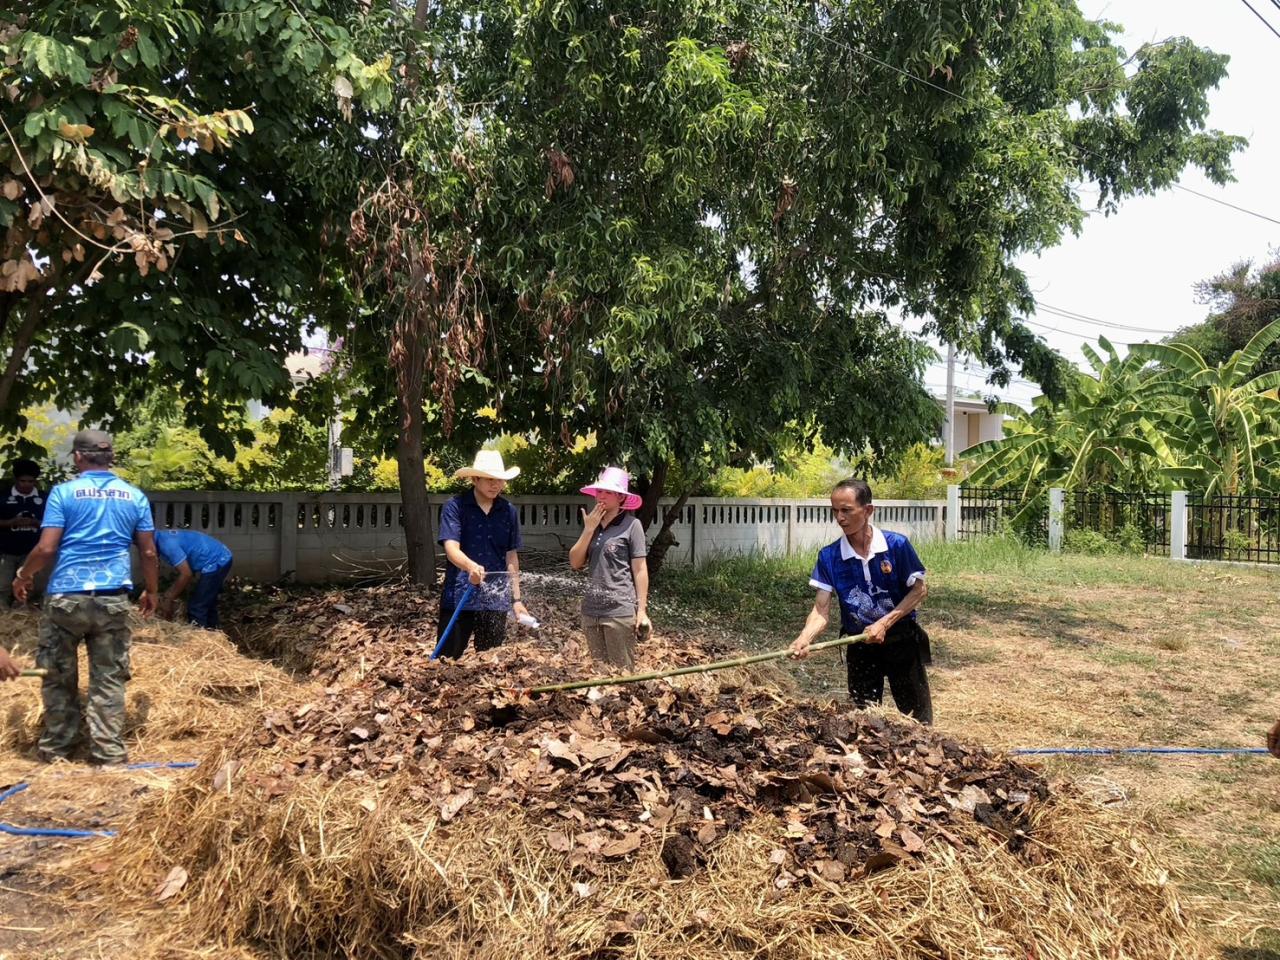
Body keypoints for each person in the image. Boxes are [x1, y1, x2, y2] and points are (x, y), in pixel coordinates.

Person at [7, 430, 158, 764]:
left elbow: (47, 548)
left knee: (57, 674)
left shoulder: (64, 493)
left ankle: (58, 748)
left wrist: (23, 575)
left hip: (66, 598)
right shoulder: (134, 496)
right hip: (112, 598)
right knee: (109, 678)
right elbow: (148, 552)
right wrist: (152, 590)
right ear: (111, 458)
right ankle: (108, 753)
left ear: (78, 457)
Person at [790, 478, 933, 724]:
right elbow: (820, 610)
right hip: (860, 644)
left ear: (868, 510)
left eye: (847, 510)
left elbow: (919, 591)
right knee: (865, 719)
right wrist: (805, 638)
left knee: (916, 718)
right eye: (835, 511)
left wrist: (885, 624)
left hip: (901, 640)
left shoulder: (896, 546)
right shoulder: (830, 557)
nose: (840, 518)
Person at [435, 450, 530, 658]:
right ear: (474, 479)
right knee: (445, 660)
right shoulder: (455, 507)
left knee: (489, 661)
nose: (495, 485)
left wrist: (516, 599)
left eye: (499, 480)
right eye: (489, 479)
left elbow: (511, 556)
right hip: (460, 594)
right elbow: (451, 548)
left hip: (495, 598)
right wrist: (470, 566)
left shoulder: (508, 511)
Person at [568, 467, 650, 669]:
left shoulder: (633, 525)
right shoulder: (592, 524)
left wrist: (641, 611)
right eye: (599, 492)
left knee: (622, 673)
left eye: (608, 492)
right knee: (600, 672)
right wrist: (588, 530)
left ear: (621, 497)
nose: (601, 496)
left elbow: (640, 570)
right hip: (591, 610)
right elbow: (575, 562)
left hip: (619, 612)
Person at [155, 529, 233, 629]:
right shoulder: (160, 537)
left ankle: (201, 639)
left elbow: (186, 574)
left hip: (217, 561)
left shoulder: (166, 545)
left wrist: (169, 597)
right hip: (222, 555)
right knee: (207, 602)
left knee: (197, 607)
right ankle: (214, 632)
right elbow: (154, 564)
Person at [0, 458, 47, 607]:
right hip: (5, 551)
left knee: (29, 588)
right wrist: (11, 522)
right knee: (3, 586)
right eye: (23, 481)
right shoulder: (2, 497)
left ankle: (23, 616)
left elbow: (54, 525)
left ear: (36, 481)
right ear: (16, 480)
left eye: (30, 481)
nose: (26, 485)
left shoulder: (45, 498)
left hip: (32, 552)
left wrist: (36, 523)